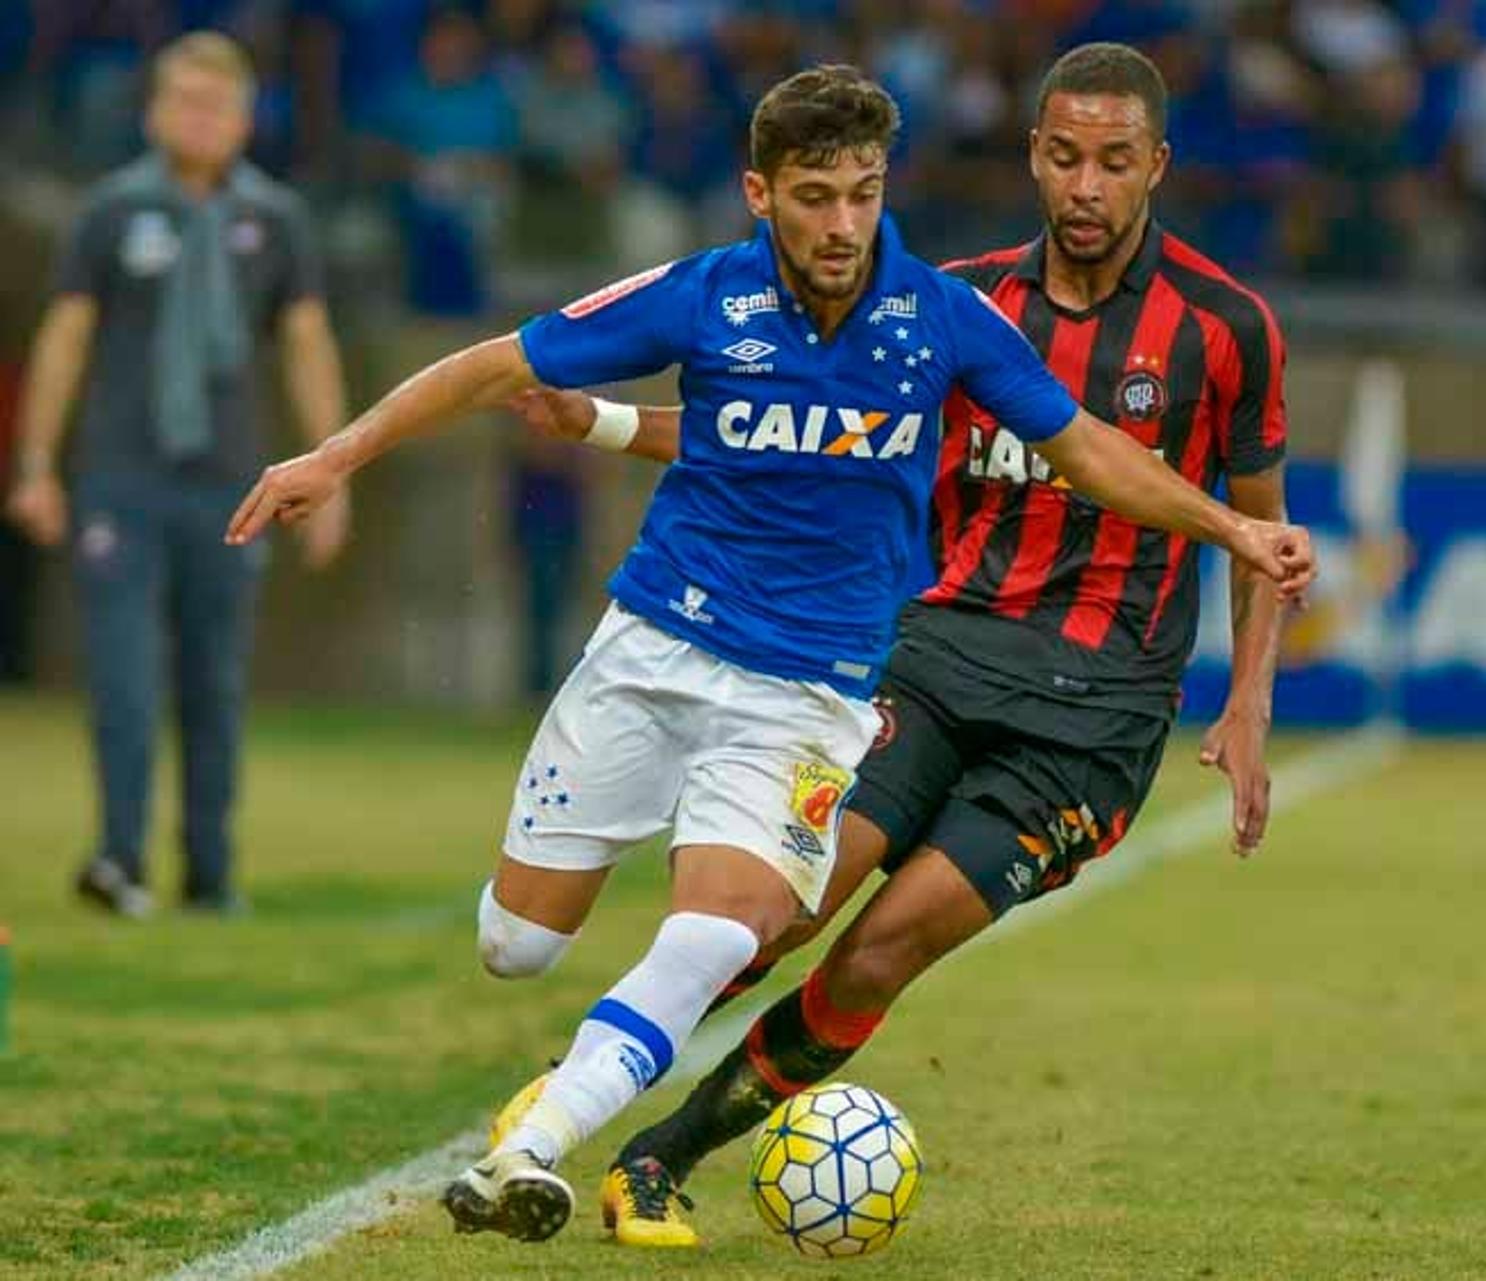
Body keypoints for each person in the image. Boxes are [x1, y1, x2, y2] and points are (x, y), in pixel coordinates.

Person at [222, 64, 1314, 1244]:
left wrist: (1240, 626)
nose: (1085, 185)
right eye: (1063, 156)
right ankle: (594, 1049)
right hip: (914, 656)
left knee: (849, 942)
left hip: (1046, 707)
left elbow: (1113, 458)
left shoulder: (1186, 326)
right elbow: (767, 427)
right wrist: (567, 425)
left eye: (1113, 162)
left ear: (1158, 165)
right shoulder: (930, 298)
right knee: (598, 935)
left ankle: (617, 1147)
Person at [5, 31, 350, 919]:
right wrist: (38, 463)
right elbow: (66, 335)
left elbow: (306, 341)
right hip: (122, 475)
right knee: (121, 674)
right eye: (183, 101)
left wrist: (333, 468)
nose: (198, 119)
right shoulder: (112, 212)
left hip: (232, 480)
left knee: (216, 679)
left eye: (216, 105)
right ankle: (118, 860)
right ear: (155, 109)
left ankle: (209, 870)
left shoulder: (275, 219)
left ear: (242, 119)